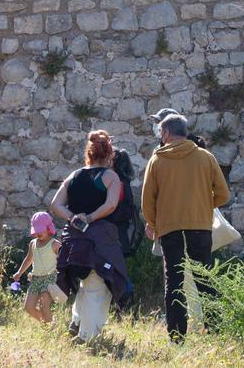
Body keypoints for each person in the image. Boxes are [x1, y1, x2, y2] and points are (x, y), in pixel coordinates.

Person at [141, 113, 230, 341]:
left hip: (170, 228)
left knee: (174, 281)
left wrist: (153, 224)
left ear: (167, 133)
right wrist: (201, 206)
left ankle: (177, 337)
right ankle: (216, 330)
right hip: (200, 226)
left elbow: (147, 201)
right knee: (205, 278)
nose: (160, 137)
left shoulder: (157, 160)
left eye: (161, 133)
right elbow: (223, 194)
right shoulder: (205, 157)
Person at [52, 130, 131, 342]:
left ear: (89, 152)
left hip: (74, 243)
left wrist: (73, 217)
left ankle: (77, 324)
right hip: (100, 242)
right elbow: (111, 204)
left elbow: (55, 204)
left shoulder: (74, 176)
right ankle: (87, 337)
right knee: (98, 288)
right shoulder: (110, 176)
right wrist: (90, 217)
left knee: (86, 285)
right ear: (109, 154)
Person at [11, 211, 61, 324]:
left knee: (44, 305)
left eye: (40, 230)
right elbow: (28, 259)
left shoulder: (55, 244)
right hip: (35, 279)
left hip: (49, 279)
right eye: (36, 230)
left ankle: (50, 330)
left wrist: (63, 275)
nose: (37, 233)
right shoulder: (33, 243)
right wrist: (19, 273)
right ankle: (49, 323)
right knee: (28, 307)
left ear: (49, 228)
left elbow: (62, 262)